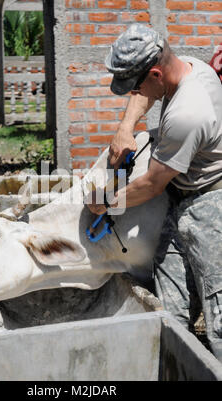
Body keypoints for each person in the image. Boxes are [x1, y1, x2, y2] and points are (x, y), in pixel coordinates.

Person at [87, 23, 222, 361]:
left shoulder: (188, 113)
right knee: (168, 306)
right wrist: (124, 129)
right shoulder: (187, 64)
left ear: (156, 74)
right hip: (182, 199)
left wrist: (105, 203)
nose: (136, 93)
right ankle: (174, 365)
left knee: (218, 314)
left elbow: (151, 185)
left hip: (210, 209)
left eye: (137, 84)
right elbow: (142, 95)